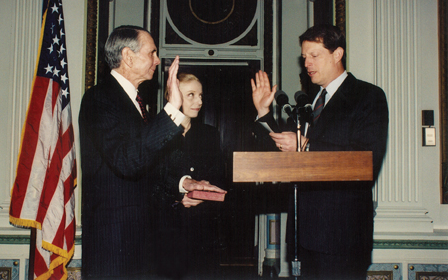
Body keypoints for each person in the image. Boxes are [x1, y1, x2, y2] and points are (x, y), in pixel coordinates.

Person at [79, 26, 226, 279]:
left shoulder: (134, 102)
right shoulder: (100, 99)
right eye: (152, 52)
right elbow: (126, 161)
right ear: (128, 56)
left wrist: (183, 184)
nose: (157, 60)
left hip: (141, 242)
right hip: (115, 243)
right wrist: (172, 109)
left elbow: (146, 170)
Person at [251, 24, 389, 280]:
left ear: (337, 54)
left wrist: (305, 146)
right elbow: (286, 147)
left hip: (341, 235)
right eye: (304, 57)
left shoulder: (367, 96)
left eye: (315, 55)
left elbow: (366, 159)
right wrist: (264, 113)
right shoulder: (310, 101)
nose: (307, 63)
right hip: (304, 233)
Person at [154, 73, 227, 280]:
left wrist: (203, 191)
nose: (199, 101)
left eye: (201, 95)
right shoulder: (156, 132)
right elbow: (152, 181)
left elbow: (220, 180)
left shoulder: (209, 134)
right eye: (191, 95)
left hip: (203, 231)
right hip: (167, 230)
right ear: (173, 96)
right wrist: (178, 197)